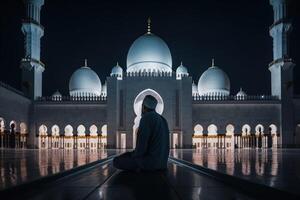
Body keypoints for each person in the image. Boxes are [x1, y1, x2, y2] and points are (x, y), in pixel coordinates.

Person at [113, 95, 170, 171]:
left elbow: (140, 150)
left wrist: (131, 156)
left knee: (116, 161)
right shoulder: (163, 119)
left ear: (143, 107)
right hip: (163, 164)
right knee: (127, 155)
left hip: (150, 164)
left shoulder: (146, 118)